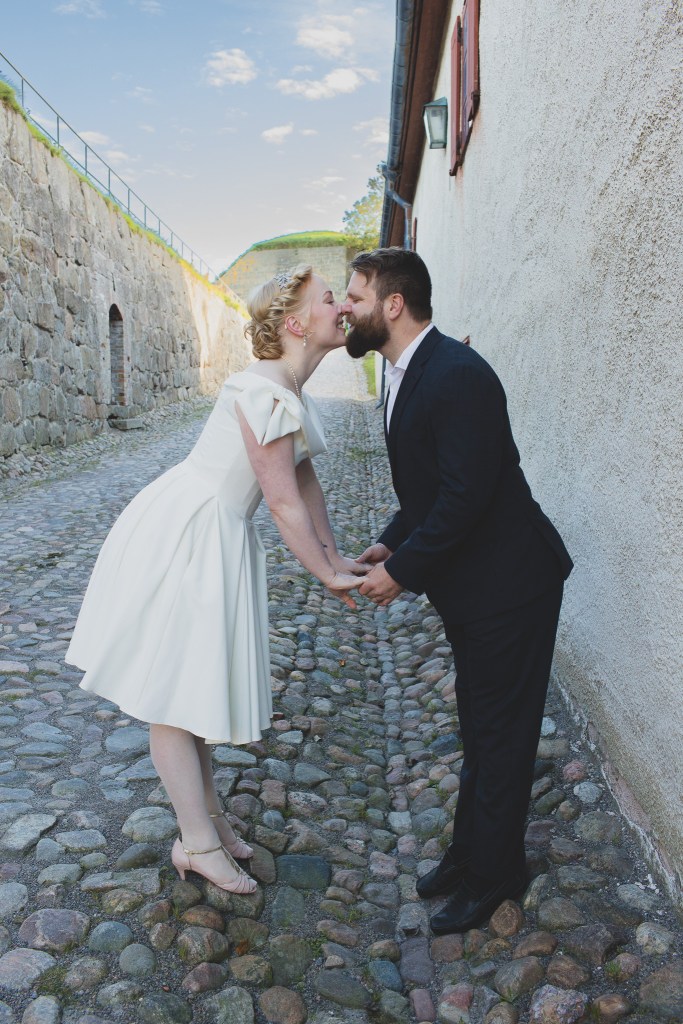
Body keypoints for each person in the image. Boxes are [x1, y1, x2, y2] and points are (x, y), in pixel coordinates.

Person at [66, 265, 364, 895]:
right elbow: (281, 502)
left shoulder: (285, 389)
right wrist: (325, 577)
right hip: (191, 534)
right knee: (173, 696)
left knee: (192, 690)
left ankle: (210, 823)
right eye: (328, 299)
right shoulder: (264, 392)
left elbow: (305, 481)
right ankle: (196, 843)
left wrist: (336, 558)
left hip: (214, 530)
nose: (341, 307)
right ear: (295, 324)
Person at [342, 247, 573, 935]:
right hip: (474, 592)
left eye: (355, 295)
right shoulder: (407, 372)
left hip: (511, 587)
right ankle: (470, 853)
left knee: (501, 737)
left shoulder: (458, 372)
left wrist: (402, 571)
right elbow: (431, 483)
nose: (346, 307)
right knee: (480, 727)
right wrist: (393, 540)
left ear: (393, 304)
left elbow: (467, 495)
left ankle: (496, 874)